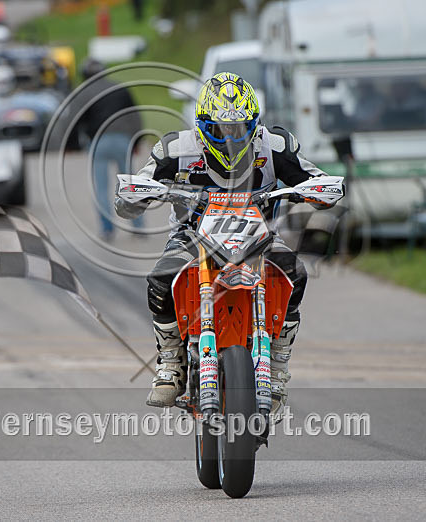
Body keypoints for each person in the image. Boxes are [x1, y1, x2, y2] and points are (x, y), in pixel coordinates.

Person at [115, 72, 338, 414]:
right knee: (160, 279)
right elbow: (136, 189)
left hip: (259, 235)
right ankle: (171, 364)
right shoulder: (175, 148)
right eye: (220, 128)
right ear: (202, 124)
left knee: (296, 274)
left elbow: (314, 177)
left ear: (254, 124)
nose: (230, 136)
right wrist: (137, 195)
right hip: (192, 234)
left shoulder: (275, 144)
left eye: (238, 128)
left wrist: (318, 191)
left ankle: (277, 365)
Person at [78, 58, 143, 240]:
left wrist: (72, 145)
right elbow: (135, 115)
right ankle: (138, 227)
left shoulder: (84, 93)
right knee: (131, 185)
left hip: (99, 142)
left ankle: (107, 229)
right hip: (124, 140)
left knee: (101, 188)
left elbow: (77, 121)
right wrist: (137, 141)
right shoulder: (119, 88)